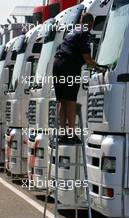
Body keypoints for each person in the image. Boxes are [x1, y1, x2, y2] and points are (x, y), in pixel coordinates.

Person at [53, 12, 96, 144]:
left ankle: (62, 134)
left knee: (62, 101)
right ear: (91, 24)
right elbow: (87, 59)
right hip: (69, 66)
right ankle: (71, 135)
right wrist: (99, 67)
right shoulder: (85, 33)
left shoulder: (72, 32)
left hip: (57, 65)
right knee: (71, 101)